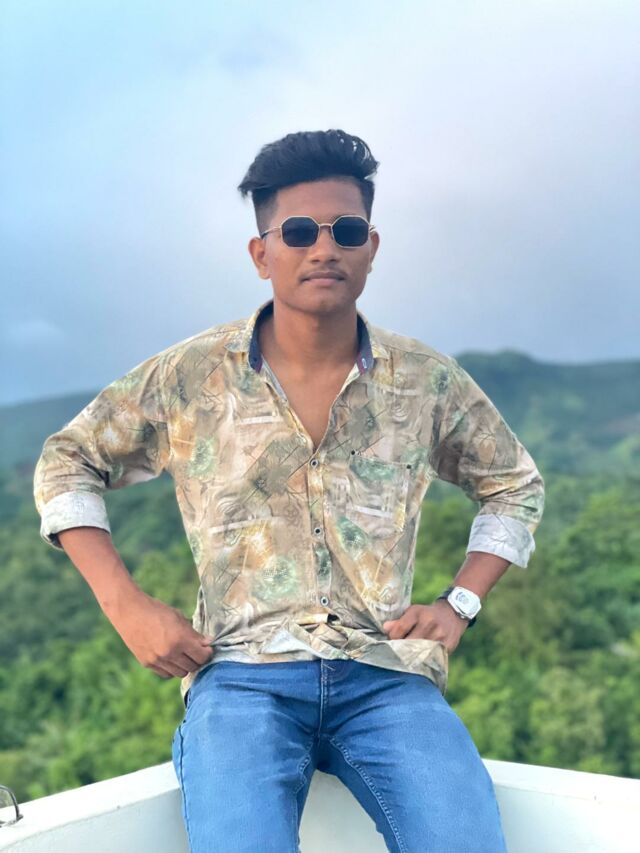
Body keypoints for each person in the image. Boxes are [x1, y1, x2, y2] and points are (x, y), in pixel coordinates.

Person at [33, 128, 545, 852]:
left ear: (372, 246)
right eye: (299, 232)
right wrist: (127, 606)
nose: (324, 248)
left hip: (385, 673)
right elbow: (68, 460)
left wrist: (460, 602)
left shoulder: (425, 381)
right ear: (261, 253)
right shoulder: (192, 376)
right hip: (242, 678)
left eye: (346, 231)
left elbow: (514, 484)